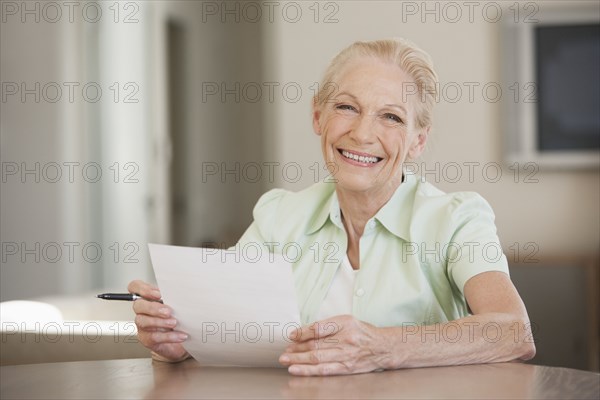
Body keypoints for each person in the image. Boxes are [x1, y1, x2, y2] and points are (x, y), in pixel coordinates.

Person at [128, 38, 536, 376]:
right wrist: (175, 339)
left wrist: (385, 346)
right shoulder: (277, 217)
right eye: (346, 107)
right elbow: (224, 331)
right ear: (318, 116)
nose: (362, 133)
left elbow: (513, 331)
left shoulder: (457, 219)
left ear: (417, 141)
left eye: (391, 117)